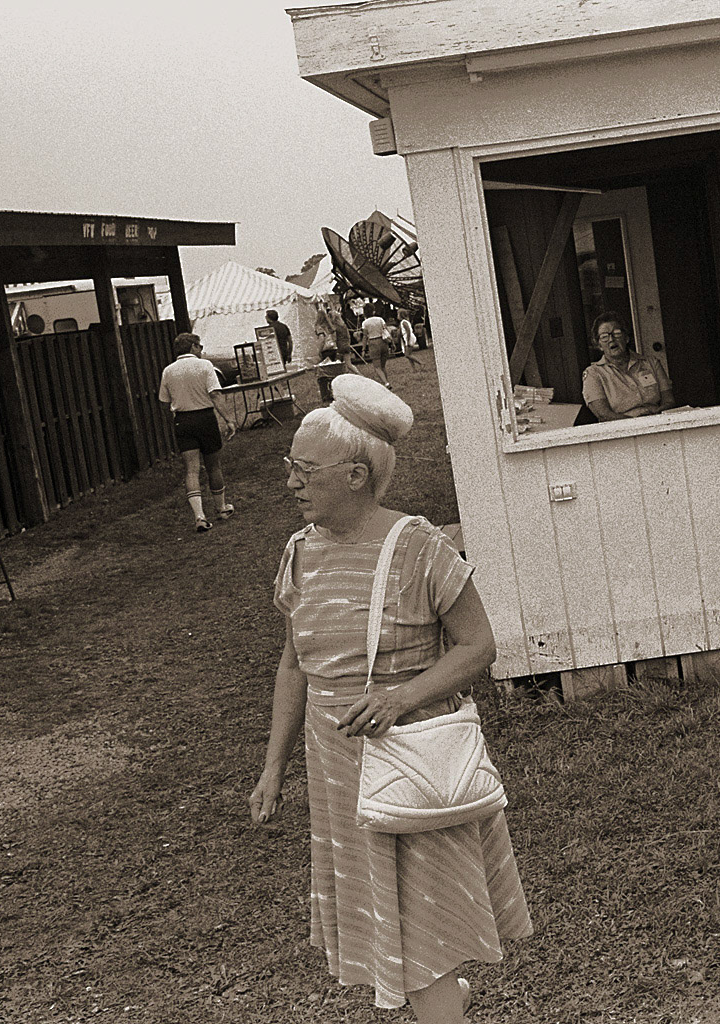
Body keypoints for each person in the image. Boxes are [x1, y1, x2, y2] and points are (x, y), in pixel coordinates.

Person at [249, 374, 531, 1021]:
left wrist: (399, 698)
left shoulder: (420, 546)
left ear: (355, 475)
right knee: (388, 916)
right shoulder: (300, 554)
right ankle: (444, 1003)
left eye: (303, 470)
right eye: (290, 466)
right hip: (338, 771)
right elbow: (294, 664)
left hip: (413, 763)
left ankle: (443, 1006)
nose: (290, 482)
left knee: (426, 921)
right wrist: (273, 769)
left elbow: (479, 646)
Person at [156, 332, 235, 531]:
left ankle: (199, 516)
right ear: (192, 346)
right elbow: (215, 395)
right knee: (213, 466)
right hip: (205, 418)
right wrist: (228, 420)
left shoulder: (168, 371)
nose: (201, 350)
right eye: (199, 346)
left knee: (191, 469)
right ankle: (221, 508)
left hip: (183, 420)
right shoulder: (205, 366)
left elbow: (164, 402)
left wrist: (173, 422)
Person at [581, 312, 673, 421]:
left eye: (617, 333)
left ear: (626, 338)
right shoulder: (593, 374)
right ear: (599, 345)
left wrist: (656, 417)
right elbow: (603, 414)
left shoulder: (651, 363)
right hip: (622, 427)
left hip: (656, 421)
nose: (611, 339)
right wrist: (636, 423)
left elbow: (669, 401)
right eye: (604, 337)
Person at [361, 313, 392, 387]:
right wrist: (392, 342)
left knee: (377, 366)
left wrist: (363, 349)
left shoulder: (365, 323)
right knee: (383, 366)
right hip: (383, 341)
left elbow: (365, 336)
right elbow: (386, 331)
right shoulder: (380, 319)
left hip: (373, 342)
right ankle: (386, 381)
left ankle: (386, 383)